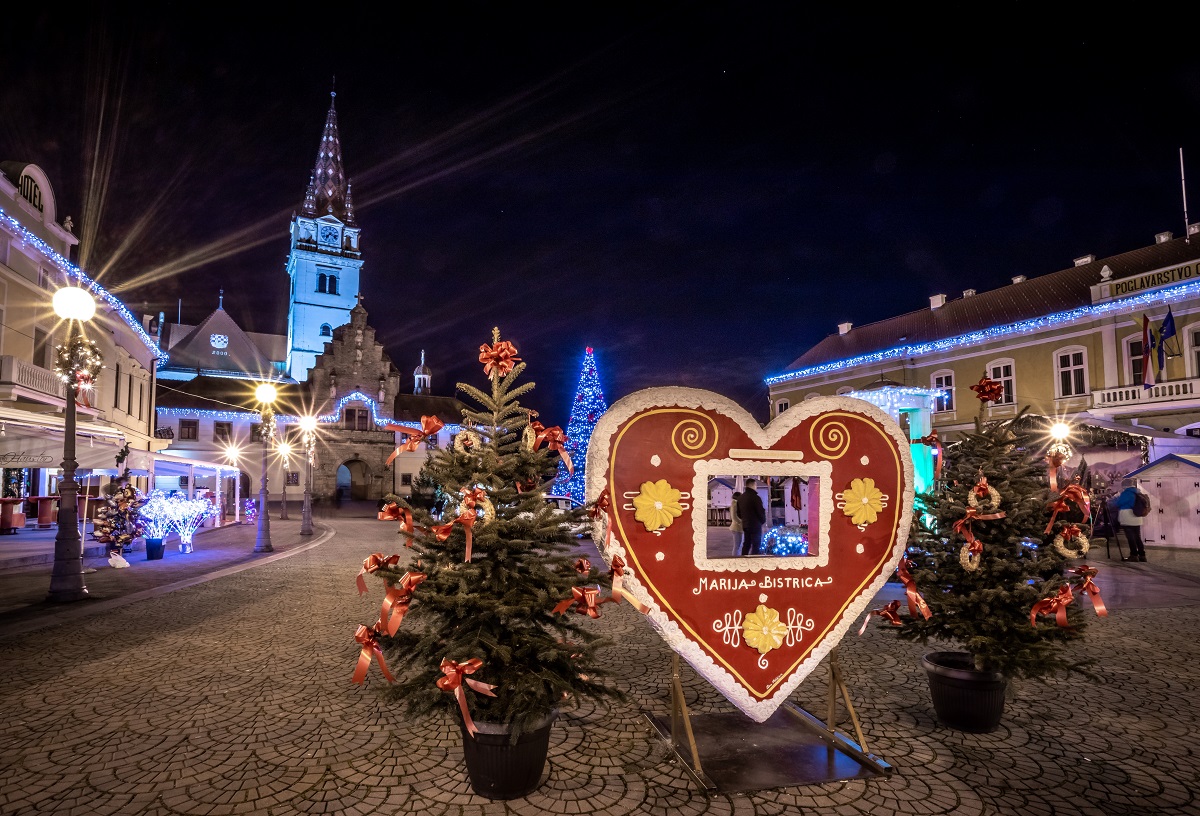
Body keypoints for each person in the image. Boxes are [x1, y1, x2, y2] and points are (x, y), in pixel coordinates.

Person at [1114, 477, 1149, 562]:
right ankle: (1142, 555)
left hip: (1127, 517)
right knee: (1137, 537)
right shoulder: (1138, 492)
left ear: (1124, 485)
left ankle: (1133, 555)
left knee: (1130, 537)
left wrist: (1117, 497)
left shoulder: (1126, 493)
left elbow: (1118, 503)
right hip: (1137, 517)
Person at [736, 479, 766, 556]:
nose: (756, 487)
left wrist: (745, 519)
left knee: (746, 544)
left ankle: (743, 560)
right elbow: (760, 512)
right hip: (755, 525)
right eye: (755, 485)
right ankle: (754, 562)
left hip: (746, 525)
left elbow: (738, 513)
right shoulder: (756, 498)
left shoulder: (740, 498)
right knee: (756, 546)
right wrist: (762, 521)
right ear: (752, 485)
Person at [729, 491, 744, 557]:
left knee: (738, 545)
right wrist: (741, 521)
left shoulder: (736, 503)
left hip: (737, 527)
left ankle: (736, 557)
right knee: (737, 546)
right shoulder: (734, 504)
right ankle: (735, 558)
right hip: (736, 527)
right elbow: (734, 516)